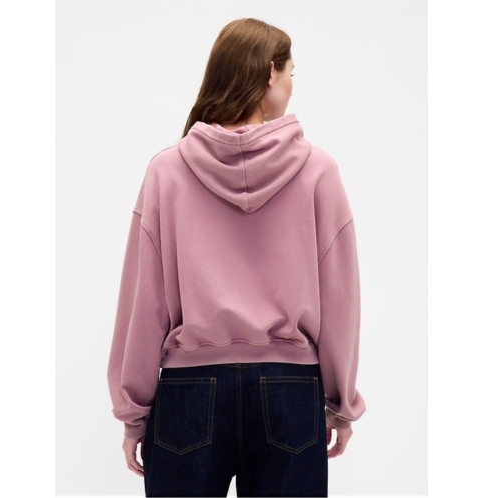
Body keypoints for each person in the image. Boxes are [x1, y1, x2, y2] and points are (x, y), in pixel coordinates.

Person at [107, 17, 366, 498]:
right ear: (270, 73)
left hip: (188, 392)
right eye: (290, 72)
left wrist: (133, 412)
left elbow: (144, 302)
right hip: (290, 390)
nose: (292, 84)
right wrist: (341, 402)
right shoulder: (318, 171)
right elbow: (340, 300)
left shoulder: (167, 171)